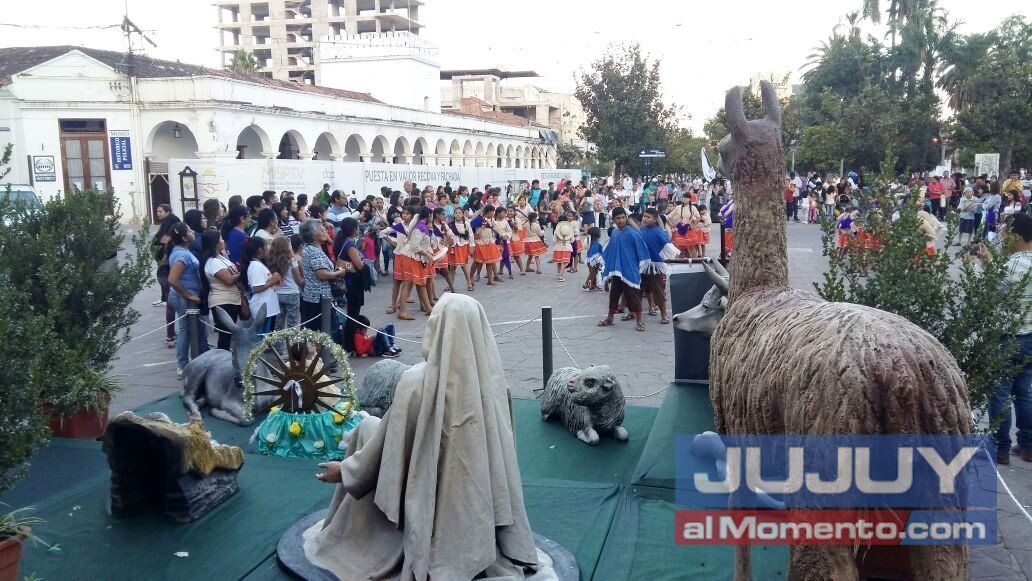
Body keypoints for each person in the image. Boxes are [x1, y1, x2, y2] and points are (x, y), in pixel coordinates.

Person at [307, 294, 539, 580]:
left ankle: (350, 530)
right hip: (482, 504)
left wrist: (346, 471)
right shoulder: (497, 388)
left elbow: (389, 448)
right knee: (369, 429)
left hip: (425, 496)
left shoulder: (417, 383)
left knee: (365, 428)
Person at [984, 214, 1032, 464]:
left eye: (1005, 235)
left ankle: (999, 449)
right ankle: (1027, 445)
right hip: (1031, 338)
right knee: (1024, 393)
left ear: (1016, 236)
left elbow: (991, 295)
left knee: (1000, 394)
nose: (1002, 240)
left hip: (1007, 338)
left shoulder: (1013, 264)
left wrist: (984, 266)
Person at [166, 222, 208, 378]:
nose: (193, 232)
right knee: (185, 330)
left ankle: (192, 361)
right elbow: (172, 279)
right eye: (190, 231)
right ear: (184, 238)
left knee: (190, 329)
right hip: (182, 297)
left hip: (185, 296)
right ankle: (182, 365)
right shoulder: (181, 255)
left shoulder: (184, 250)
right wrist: (188, 295)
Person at [598, 207, 650, 331]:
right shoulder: (615, 233)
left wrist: (640, 266)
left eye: (623, 217)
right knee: (614, 294)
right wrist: (605, 263)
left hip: (629, 269)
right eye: (618, 218)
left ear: (626, 218)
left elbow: (642, 249)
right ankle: (610, 318)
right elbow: (611, 250)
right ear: (613, 220)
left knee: (633, 296)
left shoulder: (632, 233)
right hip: (617, 270)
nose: (621, 220)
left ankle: (639, 321)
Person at [299, 218, 346, 333]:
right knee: (324, 330)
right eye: (322, 230)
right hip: (319, 297)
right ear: (313, 234)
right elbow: (322, 274)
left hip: (317, 296)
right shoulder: (313, 250)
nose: (325, 232)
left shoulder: (312, 248)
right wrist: (338, 273)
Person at [201, 229, 244, 351]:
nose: (223, 241)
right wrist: (242, 272)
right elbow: (228, 280)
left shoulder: (220, 257)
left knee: (229, 333)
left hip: (232, 300)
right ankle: (223, 355)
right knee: (225, 334)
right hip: (223, 301)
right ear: (215, 243)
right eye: (220, 239)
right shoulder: (213, 262)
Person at [335, 217, 367, 353]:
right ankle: (349, 345)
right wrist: (359, 265)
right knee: (353, 314)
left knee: (352, 313)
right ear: (354, 229)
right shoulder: (350, 245)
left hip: (350, 282)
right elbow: (359, 265)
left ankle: (349, 343)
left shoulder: (345, 242)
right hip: (352, 283)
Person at [640, 208, 677, 324]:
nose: (645, 218)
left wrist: (664, 259)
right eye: (644, 216)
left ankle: (664, 314)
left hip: (655, 266)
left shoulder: (659, 232)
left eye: (648, 217)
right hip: (641, 265)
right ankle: (636, 312)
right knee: (639, 289)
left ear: (655, 220)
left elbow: (667, 246)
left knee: (658, 290)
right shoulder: (640, 230)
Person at [151, 207, 179, 348]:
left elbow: (155, 253)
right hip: (171, 274)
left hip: (161, 273)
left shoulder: (158, 237)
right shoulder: (174, 241)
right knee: (178, 305)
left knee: (170, 305)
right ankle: (175, 335)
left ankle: (170, 333)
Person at [241, 237, 281, 335]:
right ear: (260, 249)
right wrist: (272, 281)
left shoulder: (258, 264)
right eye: (265, 247)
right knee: (262, 335)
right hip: (262, 307)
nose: (267, 249)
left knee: (267, 333)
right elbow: (256, 288)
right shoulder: (255, 266)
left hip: (266, 306)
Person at [268, 236, 303, 332]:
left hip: (277, 294)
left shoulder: (271, 261)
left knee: (279, 323)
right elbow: (298, 280)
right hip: (292, 293)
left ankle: (277, 341)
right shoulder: (292, 261)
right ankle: (292, 342)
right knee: (293, 324)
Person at [470, 205, 502, 285]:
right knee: (477, 262)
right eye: (492, 212)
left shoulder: (491, 220)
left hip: (490, 243)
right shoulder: (479, 219)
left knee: (490, 262)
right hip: (481, 243)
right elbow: (470, 228)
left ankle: (490, 280)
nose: (493, 213)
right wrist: (474, 235)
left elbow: (495, 230)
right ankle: (470, 278)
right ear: (488, 212)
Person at [551, 214, 575, 282]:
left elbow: (554, 240)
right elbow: (572, 240)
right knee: (564, 262)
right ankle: (561, 276)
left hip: (558, 247)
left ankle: (558, 273)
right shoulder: (569, 229)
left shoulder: (557, 229)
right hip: (567, 247)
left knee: (559, 261)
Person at [583, 226, 603, 291]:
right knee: (592, 274)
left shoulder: (590, 242)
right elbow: (597, 254)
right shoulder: (597, 244)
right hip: (594, 261)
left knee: (593, 273)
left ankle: (593, 285)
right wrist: (599, 262)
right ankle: (587, 284)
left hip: (589, 260)